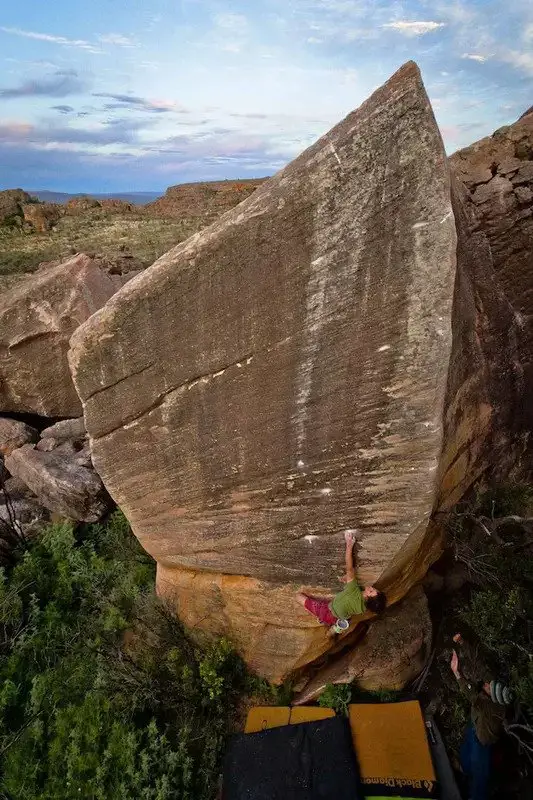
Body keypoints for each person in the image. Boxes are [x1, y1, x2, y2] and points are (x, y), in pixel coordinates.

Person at [450, 641, 510, 800]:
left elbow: (470, 695)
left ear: (493, 695)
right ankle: (463, 770)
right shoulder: (495, 688)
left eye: (488, 686)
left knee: (479, 784)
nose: (486, 683)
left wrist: (456, 673)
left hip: (482, 743)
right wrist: (462, 642)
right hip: (474, 727)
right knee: (465, 754)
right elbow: (480, 665)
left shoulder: (489, 706)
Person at [296, 531, 387, 631]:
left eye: (371, 591)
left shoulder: (353, 592)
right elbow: (355, 591)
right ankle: (332, 623)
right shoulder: (364, 607)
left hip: (328, 612)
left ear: (367, 597)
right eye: (374, 589)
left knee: (298, 597)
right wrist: (348, 580)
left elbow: (349, 568)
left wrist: (349, 545)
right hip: (341, 615)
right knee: (338, 609)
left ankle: (323, 619)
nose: (371, 587)